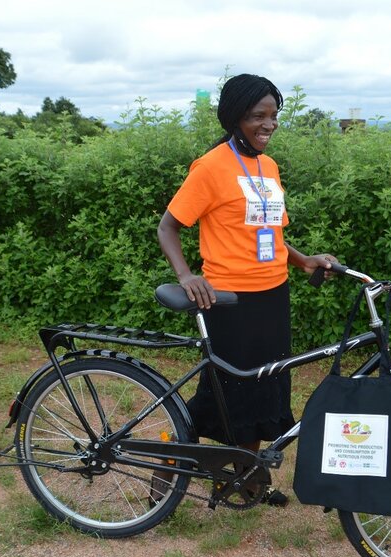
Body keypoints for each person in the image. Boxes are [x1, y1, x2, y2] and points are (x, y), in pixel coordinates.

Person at [157, 73, 336, 506]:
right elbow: (168, 227)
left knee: (263, 390)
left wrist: (303, 259)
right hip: (228, 299)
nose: (269, 124)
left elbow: (270, 233)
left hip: (273, 296)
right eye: (259, 115)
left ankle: (247, 479)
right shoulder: (211, 166)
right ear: (236, 117)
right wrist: (186, 275)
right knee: (223, 391)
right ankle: (167, 460)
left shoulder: (267, 167)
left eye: (274, 115)